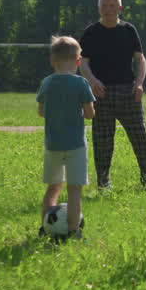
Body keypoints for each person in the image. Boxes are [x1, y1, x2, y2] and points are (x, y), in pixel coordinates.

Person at [78, 0, 146, 193]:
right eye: (104, 5)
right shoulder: (91, 32)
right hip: (101, 94)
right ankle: (103, 185)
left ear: (120, 8)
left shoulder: (129, 30)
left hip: (129, 92)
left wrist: (139, 83)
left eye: (112, 5)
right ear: (99, 9)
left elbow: (140, 59)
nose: (108, 9)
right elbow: (83, 62)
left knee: (140, 137)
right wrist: (92, 82)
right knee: (102, 141)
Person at [36, 35, 95, 239]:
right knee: (74, 190)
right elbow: (90, 114)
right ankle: (73, 231)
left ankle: (44, 228)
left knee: (53, 188)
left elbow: (41, 111)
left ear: (53, 60)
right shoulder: (81, 83)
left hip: (53, 144)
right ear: (78, 61)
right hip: (76, 146)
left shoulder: (46, 83)